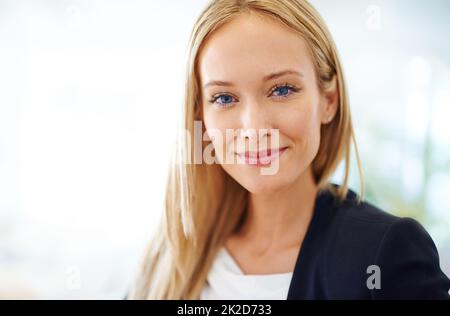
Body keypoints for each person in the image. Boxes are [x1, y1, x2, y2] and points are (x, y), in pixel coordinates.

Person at [127, 0, 450, 299]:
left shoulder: (385, 253)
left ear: (329, 101)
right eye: (224, 98)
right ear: (201, 115)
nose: (254, 128)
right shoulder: (168, 258)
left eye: (281, 90)